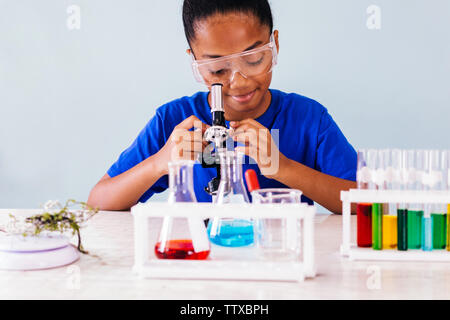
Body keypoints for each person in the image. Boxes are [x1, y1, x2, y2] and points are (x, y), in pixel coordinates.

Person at [87, 0, 357, 213]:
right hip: (200, 269)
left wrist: (283, 168)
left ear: (274, 44)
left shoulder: (309, 119)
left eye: (253, 60)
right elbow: (98, 201)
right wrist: (160, 163)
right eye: (217, 69)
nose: (238, 82)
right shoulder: (172, 121)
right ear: (194, 61)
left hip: (279, 262)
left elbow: (364, 203)